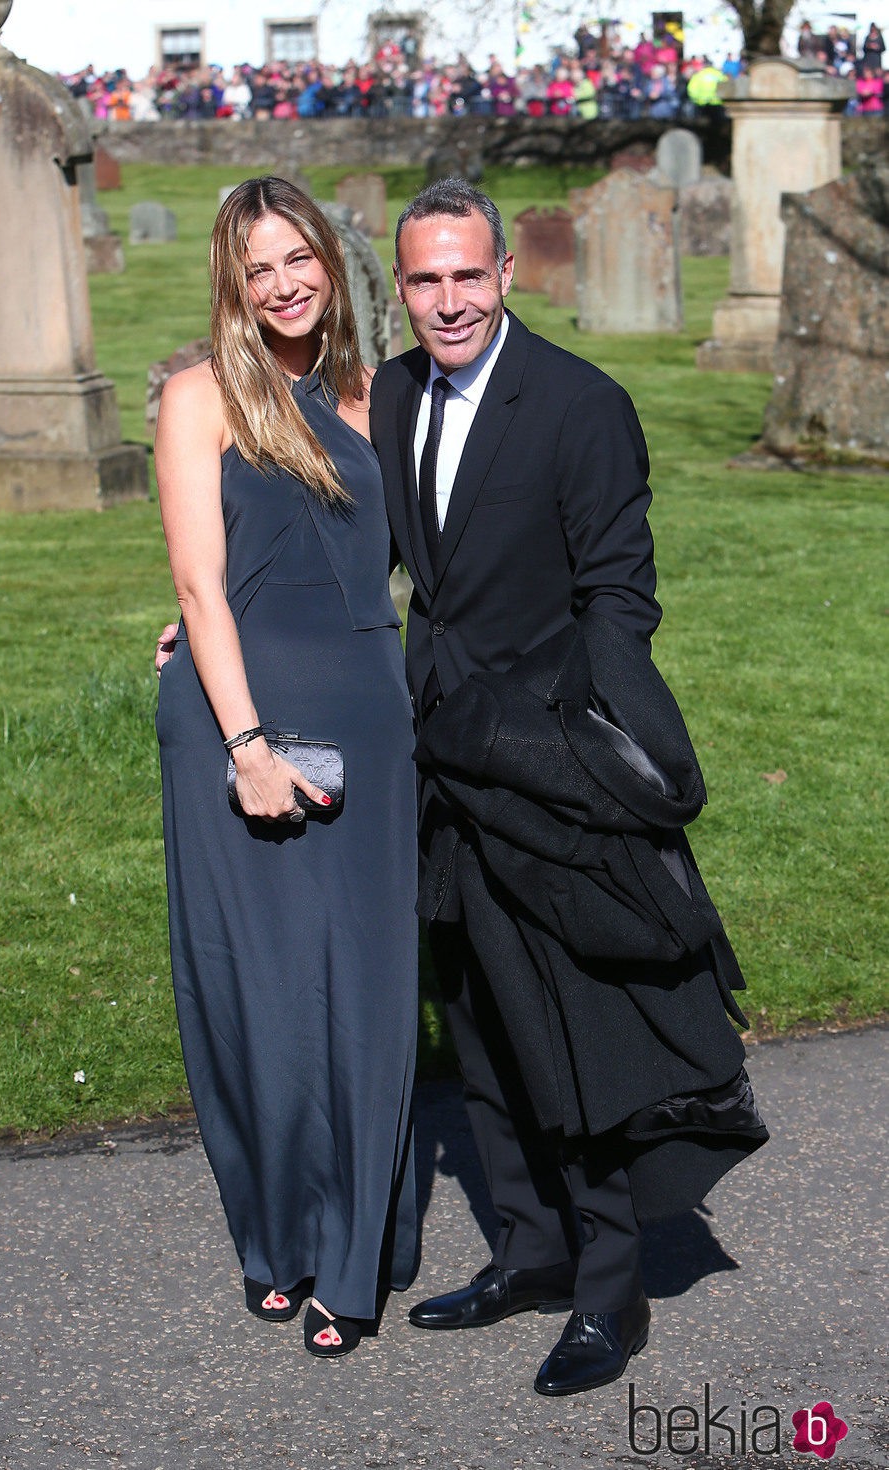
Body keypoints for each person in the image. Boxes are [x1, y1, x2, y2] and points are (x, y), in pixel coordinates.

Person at [367, 178, 766, 1398]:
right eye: (424, 280)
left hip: (544, 756)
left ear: (504, 277)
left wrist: (599, 741)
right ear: (405, 287)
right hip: (437, 752)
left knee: (567, 1025)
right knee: (479, 1018)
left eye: (466, 276)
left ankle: (609, 1291)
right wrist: (216, 625)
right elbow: (375, 556)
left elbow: (617, 592)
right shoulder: (391, 394)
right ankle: (527, 1254)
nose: (446, 301)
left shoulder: (582, 405)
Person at [154, 176, 419, 1359]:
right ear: (233, 282)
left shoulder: (379, 398)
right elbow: (203, 584)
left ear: (332, 258)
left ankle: (351, 1253)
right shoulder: (198, 395)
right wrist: (244, 740)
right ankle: (275, 1231)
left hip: (367, 711)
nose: (282, 284)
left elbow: (429, 559)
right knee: (258, 993)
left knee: (361, 989)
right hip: (236, 722)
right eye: (256, 268)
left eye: (296, 258)